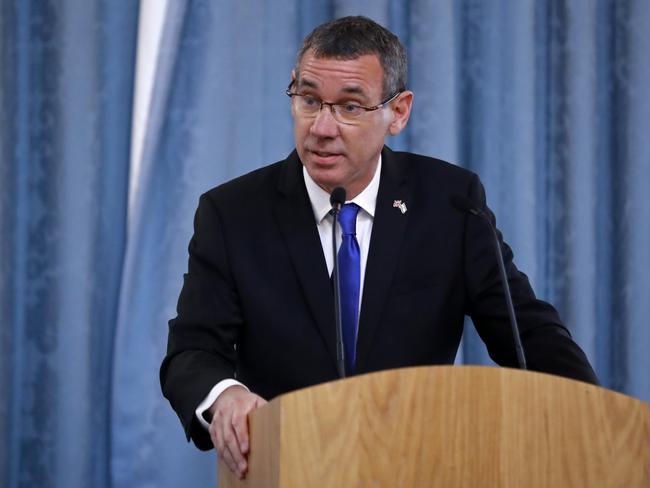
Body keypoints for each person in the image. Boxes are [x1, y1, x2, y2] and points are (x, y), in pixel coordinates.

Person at [160, 16, 598, 479]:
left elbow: (529, 334)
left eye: (350, 107)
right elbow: (191, 352)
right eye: (309, 100)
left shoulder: (450, 204)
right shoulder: (233, 213)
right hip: (287, 469)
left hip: (418, 469)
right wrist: (225, 395)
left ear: (399, 112)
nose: (322, 128)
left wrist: (592, 420)